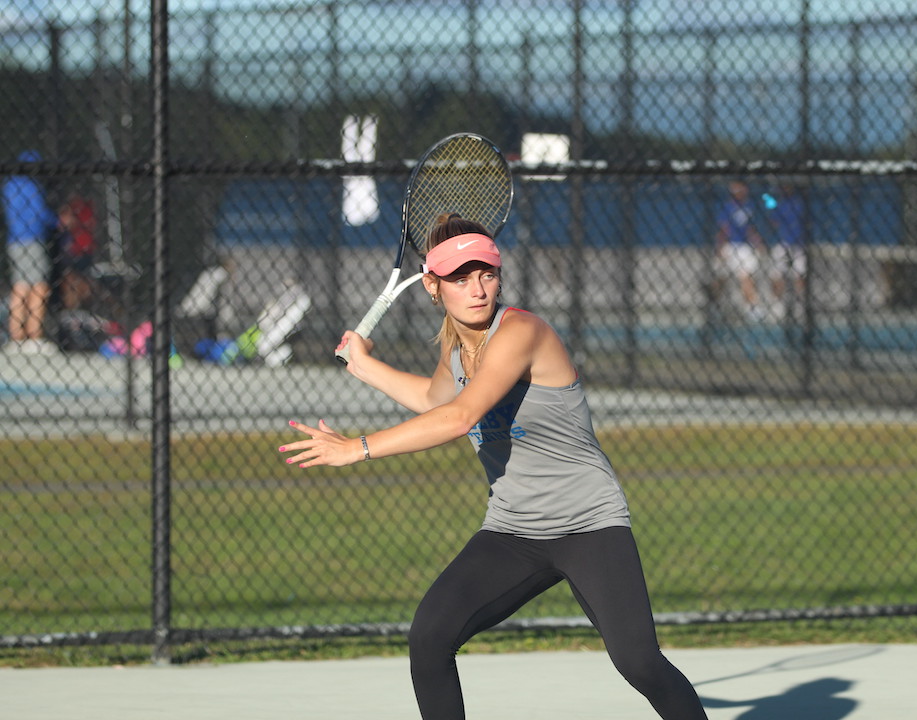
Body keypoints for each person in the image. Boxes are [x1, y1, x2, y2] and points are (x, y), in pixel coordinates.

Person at [280, 213, 707, 720]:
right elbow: (433, 398)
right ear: (434, 287)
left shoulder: (522, 330)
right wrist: (365, 364)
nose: (478, 289)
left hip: (590, 525)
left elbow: (459, 416)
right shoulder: (456, 350)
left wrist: (358, 447)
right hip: (513, 530)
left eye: (487, 273)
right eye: (461, 278)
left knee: (639, 663)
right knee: (430, 637)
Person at [3, 150, 58, 354]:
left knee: (20, 285)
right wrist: (57, 222)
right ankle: (33, 335)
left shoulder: (9, 185)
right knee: (38, 287)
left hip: (15, 240)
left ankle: (16, 335)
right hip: (32, 240)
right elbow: (40, 214)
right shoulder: (32, 186)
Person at [715, 179, 765, 320]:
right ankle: (716, 305)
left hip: (744, 247)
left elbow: (751, 229)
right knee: (721, 278)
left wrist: (758, 243)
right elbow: (723, 229)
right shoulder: (727, 207)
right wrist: (720, 247)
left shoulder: (751, 207)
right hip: (729, 246)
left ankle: (752, 307)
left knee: (746, 276)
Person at [766, 183, 807, 319]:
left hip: (798, 244)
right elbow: (773, 221)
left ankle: (799, 306)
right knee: (777, 274)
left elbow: (774, 221)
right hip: (783, 244)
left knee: (799, 275)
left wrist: (771, 203)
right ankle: (777, 306)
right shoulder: (780, 203)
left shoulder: (798, 203)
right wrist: (770, 203)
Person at [56, 192, 97, 312]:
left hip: (80, 249)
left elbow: (67, 224)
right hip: (73, 250)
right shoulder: (75, 206)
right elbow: (64, 224)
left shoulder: (83, 206)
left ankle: (79, 309)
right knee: (70, 280)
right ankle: (73, 310)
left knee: (78, 280)